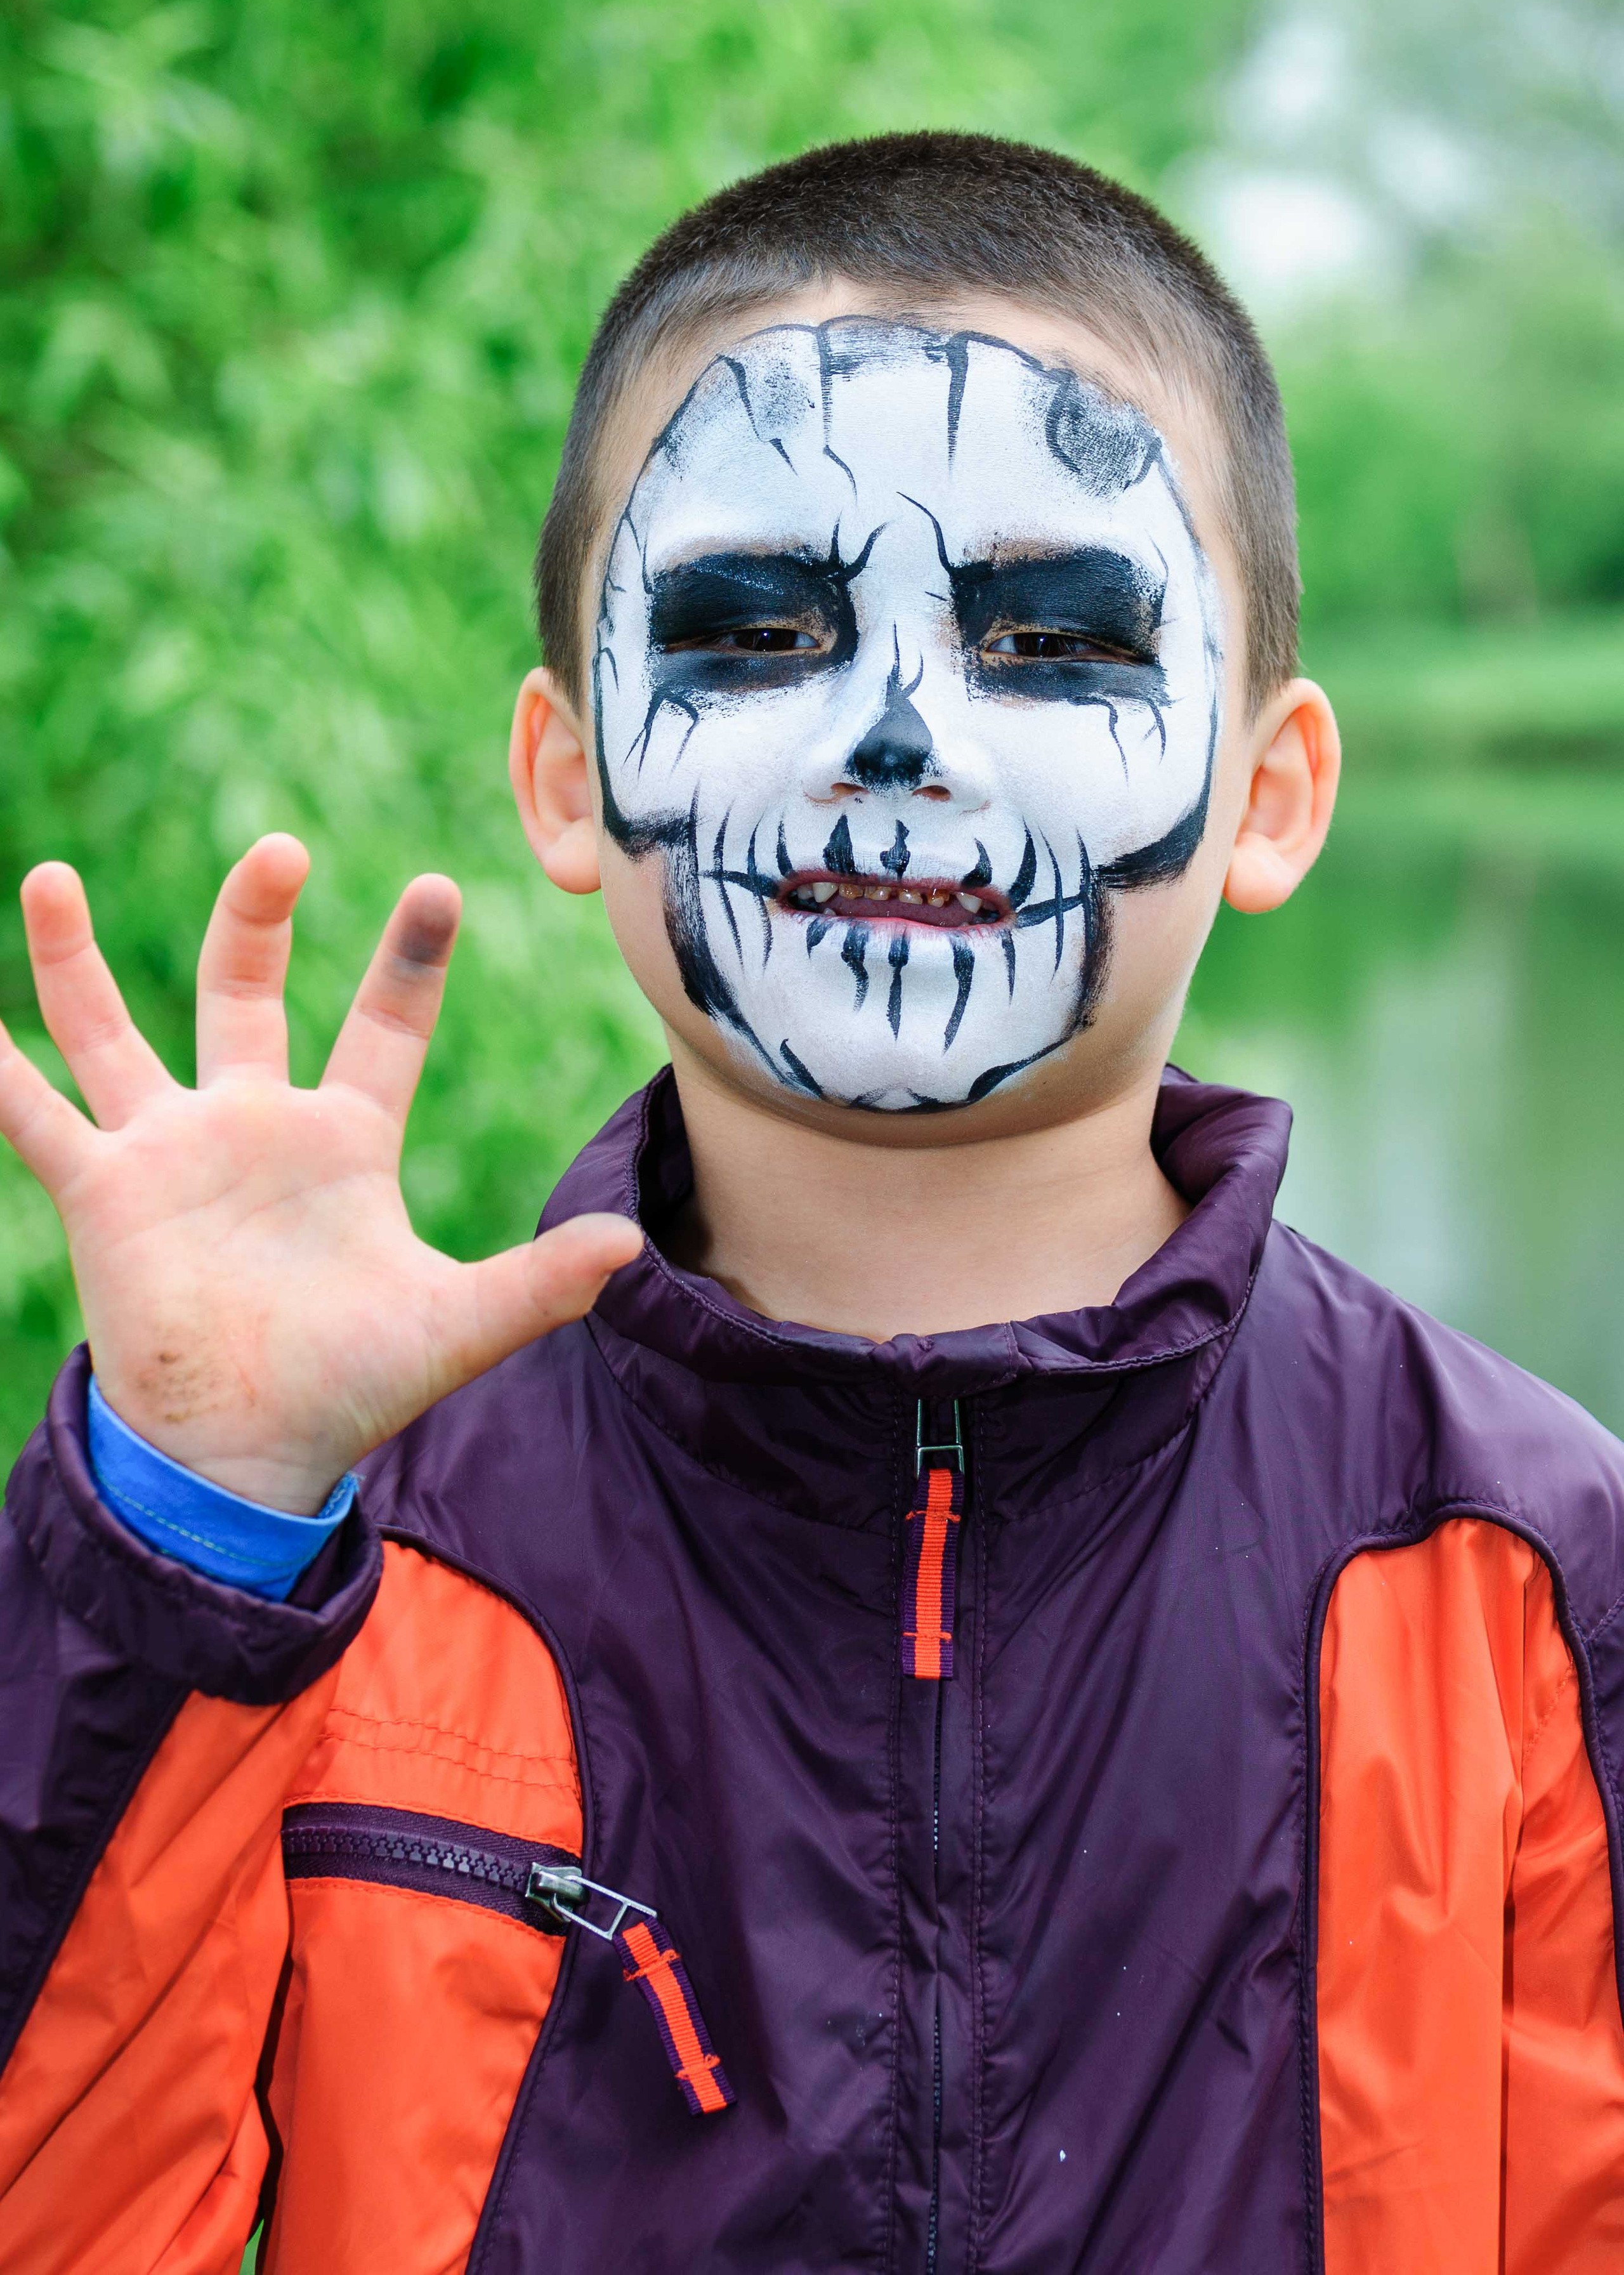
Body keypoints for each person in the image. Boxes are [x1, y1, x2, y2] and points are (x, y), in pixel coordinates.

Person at [0, 131, 1620, 2275]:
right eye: (755, 626)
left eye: (1053, 640)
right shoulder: (322, 1554)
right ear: (572, 775)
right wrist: (173, 1542)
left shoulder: (1525, 1576)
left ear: (1272, 791)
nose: (896, 734)